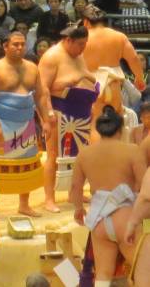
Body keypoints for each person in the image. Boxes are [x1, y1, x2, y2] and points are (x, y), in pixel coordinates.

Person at [71, 106, 146, 286]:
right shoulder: (133, 151)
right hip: (126, 217)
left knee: (103, 274)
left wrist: (78, 209)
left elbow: (75, 187)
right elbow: (145, 185)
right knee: (142, 270)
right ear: (121, 130)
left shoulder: (84, 154)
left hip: (99, 220)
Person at [0, 32, 50, 217]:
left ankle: (24, 205)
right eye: (15, 44)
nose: (19, 48)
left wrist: (45, 120)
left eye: (22, 44)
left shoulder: (32, 68)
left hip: (26, 122)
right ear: (5, 46)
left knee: (26, 165)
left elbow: (40, 96)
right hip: (3, 123)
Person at [39, 25, 98, 212]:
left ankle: (76, 192)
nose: (83, 48)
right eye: (80, 44)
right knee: (54, 155)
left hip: (80, 109)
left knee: (80, 155)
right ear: (68, 40)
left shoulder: (78, 55)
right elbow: (43, 90)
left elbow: (85, 77)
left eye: (85, 44)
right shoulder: (51, 57)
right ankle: (49, 199)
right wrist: (48, 115)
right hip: (58, 109)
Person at [82, 4, 145, 143]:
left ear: (86, 22)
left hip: (92, 86)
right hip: (113, 85)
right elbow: (134, 59)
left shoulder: (82, 39)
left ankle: (100, 159)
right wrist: (139, 79)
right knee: (118, 122)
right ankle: (119, 157)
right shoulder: (118, 36)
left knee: (95, 124)